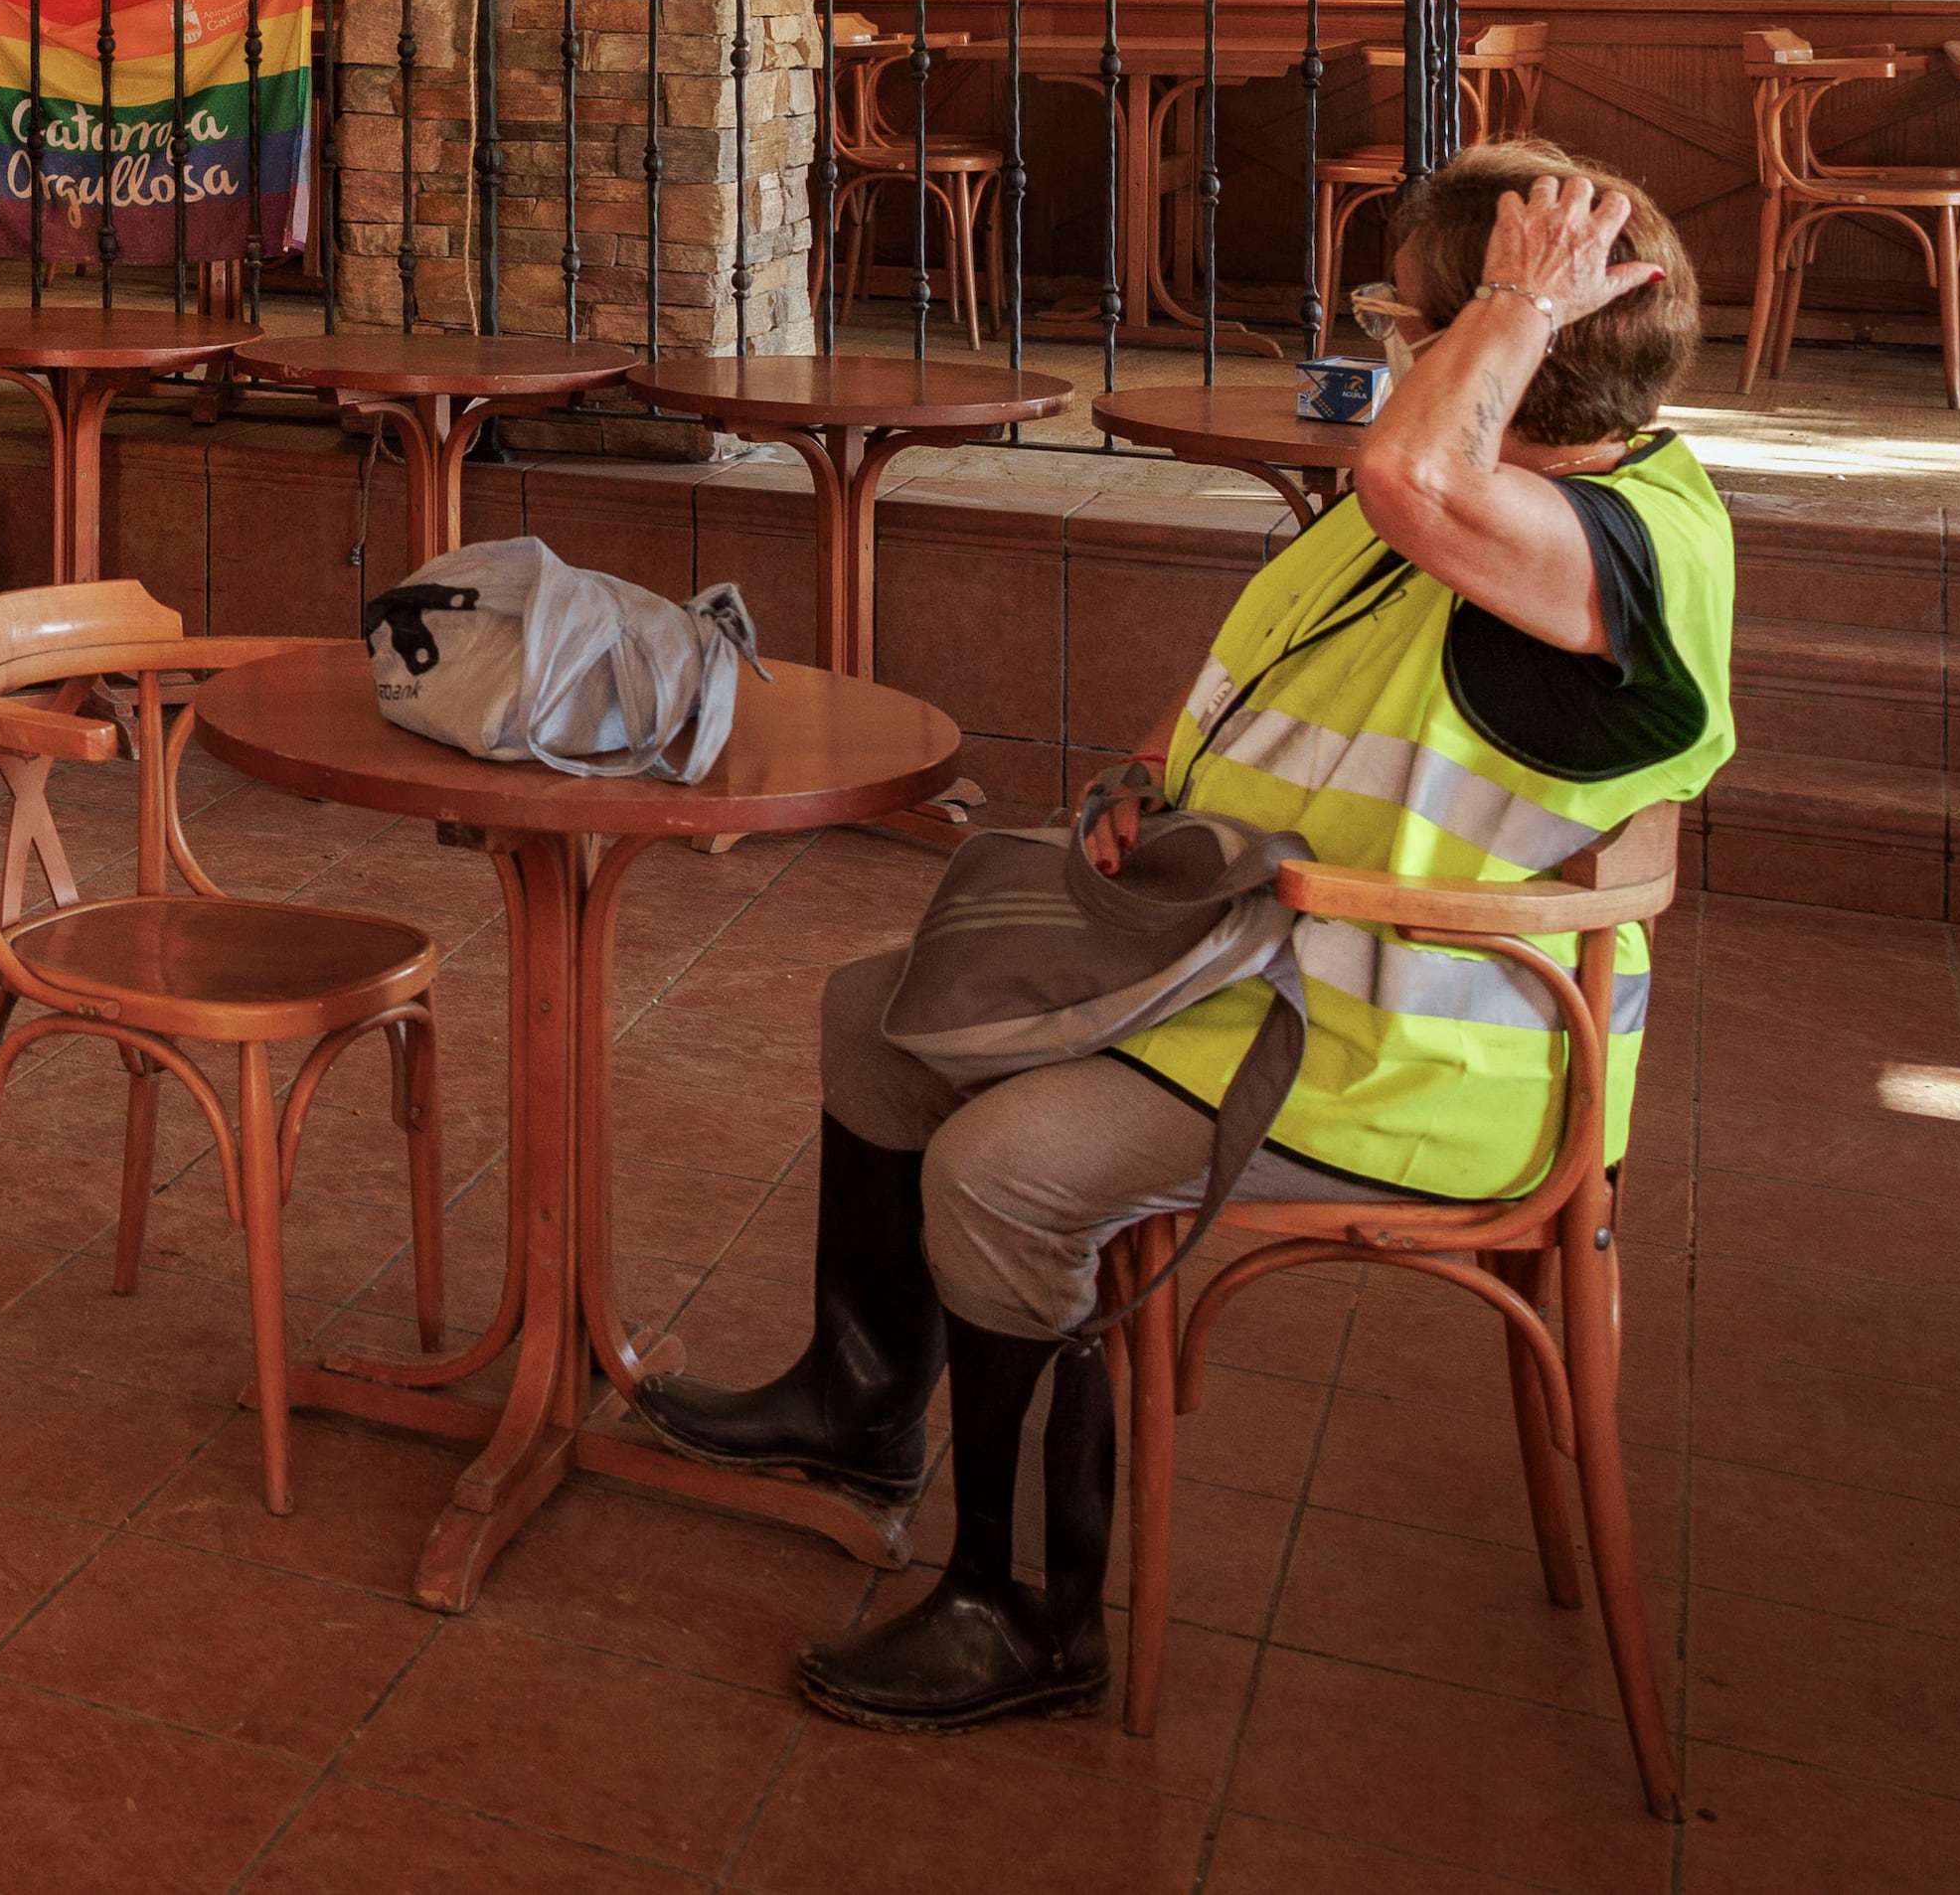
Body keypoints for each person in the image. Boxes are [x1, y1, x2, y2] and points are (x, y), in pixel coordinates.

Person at [634, 140, 1734, 1732]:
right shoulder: (1482, 494)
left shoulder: (1610, 545)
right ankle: (858, 1403)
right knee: (875, 1014)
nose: (1378, 341)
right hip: (1251, 968)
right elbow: (1288, 663)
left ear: (1501, 348)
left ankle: (1023, 1608)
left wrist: (1503, 301)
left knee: (1000, 1164)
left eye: (1397, 315)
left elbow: (1408, 478)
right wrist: (1151, 782)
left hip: (1400, 1063)